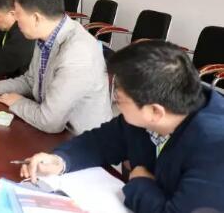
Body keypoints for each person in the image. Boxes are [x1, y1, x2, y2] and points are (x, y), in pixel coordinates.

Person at [22, 41, 224, 213]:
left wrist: (140, 183)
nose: (116, 104)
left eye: (119, 100)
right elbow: (100, 142)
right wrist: (60, 160)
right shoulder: (151, 113)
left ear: (155, 112)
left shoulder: (215, 147)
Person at [0, 0, 111, 135]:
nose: (15, 20)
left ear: (36, 18)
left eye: (18, 14)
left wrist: (18, 102)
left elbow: (50, 121)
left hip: (80, 141)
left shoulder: (77, 53)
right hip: (52, 132)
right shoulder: (45, 35)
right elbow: (31, 80)